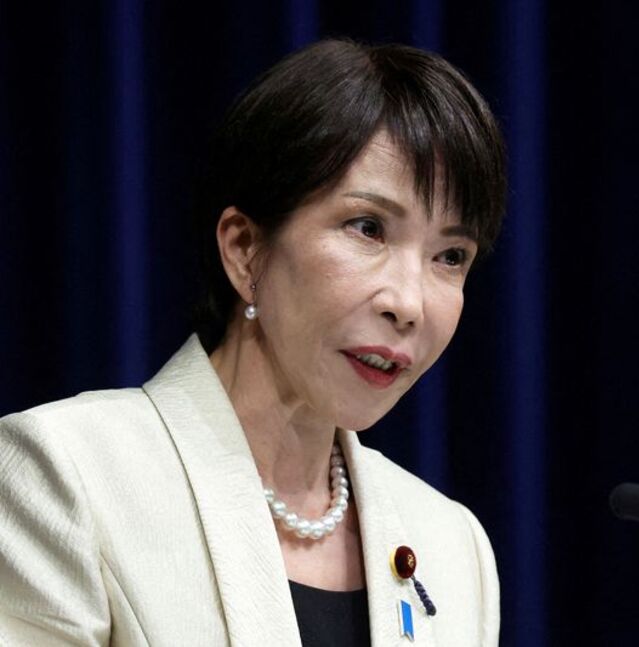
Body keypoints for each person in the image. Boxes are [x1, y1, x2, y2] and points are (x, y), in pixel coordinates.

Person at [0, 39, 506, 647]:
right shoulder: (69, 474)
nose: (410, 304)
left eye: (450, 256)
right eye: (368, 228)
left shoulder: (451, 546)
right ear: (244, 248)